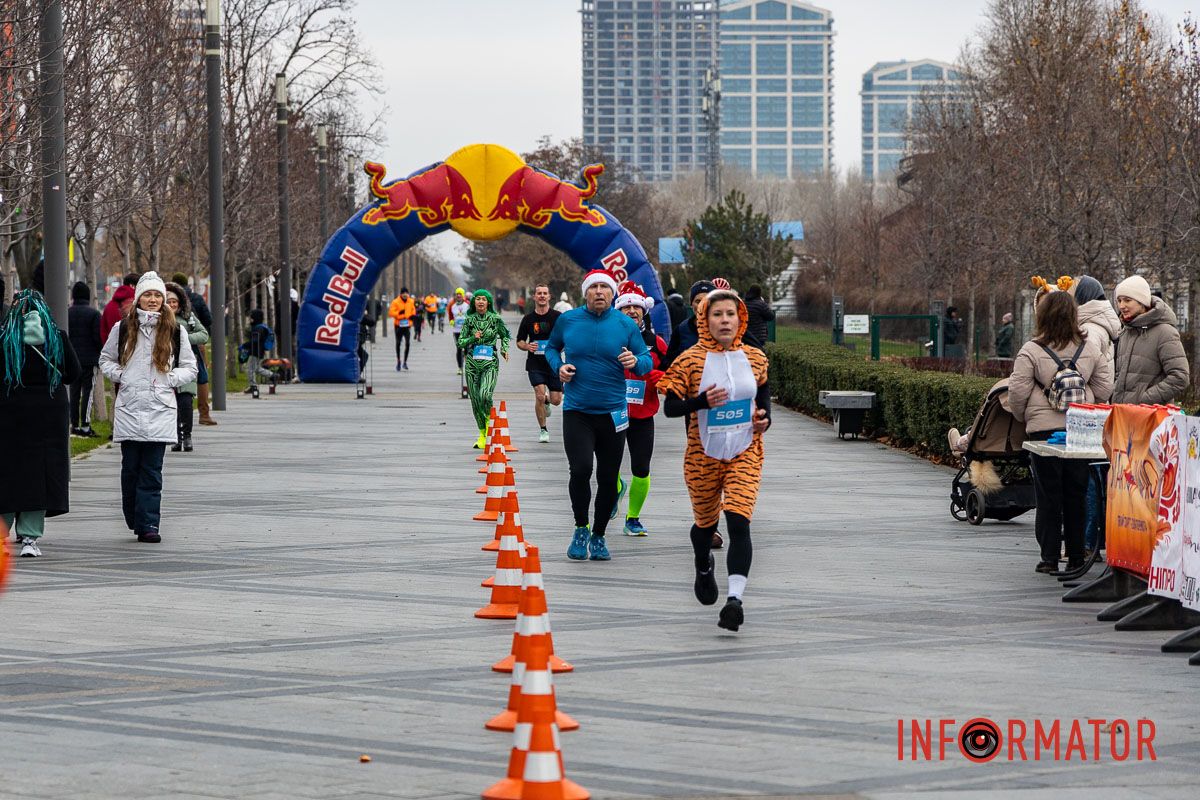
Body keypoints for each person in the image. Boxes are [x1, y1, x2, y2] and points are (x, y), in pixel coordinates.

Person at [658, 289, 771, 631]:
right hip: (702, 456)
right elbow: (671, 408)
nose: (724, 320)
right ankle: (702, 563)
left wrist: (763, 420)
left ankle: (735, 600)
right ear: (705, 321)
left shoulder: (756, 358)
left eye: (730, 314)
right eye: (717, 314)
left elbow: (764, 403)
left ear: (740, 319)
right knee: (705, 526)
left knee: (738, 521)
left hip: (745, 451)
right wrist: (702, 402)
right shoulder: (689, 360)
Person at [545, 269, 652, 562]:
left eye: (606, 287)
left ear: (613, 292)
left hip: (613, 413)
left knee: (607, 478)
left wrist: (635, 360)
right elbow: (552, 349)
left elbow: (645, 360)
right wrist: (559, 367)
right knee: (580, 470)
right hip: (577, 411)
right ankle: (581, 527)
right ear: (586, 293)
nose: (600, 292)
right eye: (595, 288)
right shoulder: (567, 320)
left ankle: (600, 535)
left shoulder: (624, 324)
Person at [1008, 290, 1112, 574]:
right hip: (1079, 431)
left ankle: (1049, 557)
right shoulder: (1089, 349)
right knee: (1076, 495)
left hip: (1043, 433)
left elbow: (1016, 393)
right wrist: (1080, 397)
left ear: (1042, 316)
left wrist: (1027, 416)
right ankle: (1077, 556)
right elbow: (1104, 389)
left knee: (1048, 496)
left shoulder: (1031, 350)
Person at [99, 272, 197, 544]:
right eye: (148, 295)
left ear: (163, 300)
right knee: (130, 469)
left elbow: (190, 367)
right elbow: (105, 359)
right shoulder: (122, 328)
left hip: (160, 410)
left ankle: (149, 524)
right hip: (130, 408)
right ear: (139, 297)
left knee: (152, 472)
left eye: (157, 295)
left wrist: (170, 380)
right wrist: (121, 375)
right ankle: (134, 516)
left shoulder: (176, 330)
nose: (153, 300)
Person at [1, 290, 82, 557]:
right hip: (49, 416)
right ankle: (30, 539)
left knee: (9, 475)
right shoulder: (57, 338)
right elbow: (73, 373)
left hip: (11, 416)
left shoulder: (5, 339)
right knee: (39, 477)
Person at [614, 282, 667, 537]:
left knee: (642, 468)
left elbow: (672, 374)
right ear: (619, 312)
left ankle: (632, 518)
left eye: (636, 306)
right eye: (626, 307)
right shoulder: (607, 338)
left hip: (644, 415)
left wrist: (662, 378)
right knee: (608, 466)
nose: (632, 310)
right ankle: (615, 489)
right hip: (613, 412)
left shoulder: (655, 342)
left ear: (643, 310)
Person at [1110, 275, 1189, 405]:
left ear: (1143, 302)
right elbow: (1120, 376)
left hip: (1151, 418)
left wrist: (1144, 400)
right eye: (1119, 300)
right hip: (1123, 416)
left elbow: (1180, 377)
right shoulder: (1126, 332)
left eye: (1127, 300)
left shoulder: (1165, 332)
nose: (1121, 306)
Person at [457, 289, 510, 448]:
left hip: (490, 362)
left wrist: (504, 349)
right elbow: (460, 342)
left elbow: (505, 335)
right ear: (474, 302)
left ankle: (489, 422)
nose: (480, 302)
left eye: (483, 299)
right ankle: (482, 433)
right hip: (472, 363)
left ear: (488, 302)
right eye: (478, 299)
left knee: (485, 395)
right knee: (475, 400)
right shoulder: (469, 320)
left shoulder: (495, 319)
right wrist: (473, 338)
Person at [515, 283, 563, 444]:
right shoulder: (528, 319)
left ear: (549, 297)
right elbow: (519, 341)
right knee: (539, 395)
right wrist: (527, 346)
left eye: (545, 293)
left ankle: (548, 400)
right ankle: (543, 429)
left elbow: (566, 336)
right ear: (534, 297)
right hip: (535, 364)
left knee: (556, 400)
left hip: (553, 363)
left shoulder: (557, 317)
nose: (542, 296)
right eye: (539, 293)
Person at [164, 282, 209, 453]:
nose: (172, 305)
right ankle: (176, 437)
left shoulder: (189, 318)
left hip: (186, 364)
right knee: (172, 404)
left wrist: (185, 339)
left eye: (175, 302)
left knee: (186, 402)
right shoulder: (161, 319)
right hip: (167, 366)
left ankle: (187, 435)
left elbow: (204, 334)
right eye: (169, 301)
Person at [172, 272, 216, 426]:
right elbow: (208, 320)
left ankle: (177, 415)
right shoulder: (196, 298)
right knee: (202, 377)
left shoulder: (170, 299)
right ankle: (204, 413)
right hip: (196, 346)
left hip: (178, 346)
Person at [68, 281, 102, 437]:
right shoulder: (94, 314)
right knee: (88, 392)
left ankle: (73, 423)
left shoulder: (67, 312)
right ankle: (86, 425)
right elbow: (98, 339)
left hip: (72, 360)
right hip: (89, 360)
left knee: (74, 393)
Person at [663, 279, 716, 369]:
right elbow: (668, 364)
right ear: (691, 304)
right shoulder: (681, 330)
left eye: (707, 300)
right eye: (698, 301)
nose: (702, 305)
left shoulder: (727, 329)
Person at [101, 273, 139, 344]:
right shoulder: (135, 303)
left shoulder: (109, 305)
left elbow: (103, 331)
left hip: (111, 350)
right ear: (132, 286)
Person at [242, 308, 274, 392]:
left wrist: (245, 345)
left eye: (252, 318)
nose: (250, 320)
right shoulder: (259, 327)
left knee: (250, 369)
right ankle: (272, 375)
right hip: (258, 351)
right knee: (256, 368)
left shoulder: (258, 329)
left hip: (255, 352)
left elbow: (255, 341)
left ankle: (253, 386)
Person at [388, 287, 417, 370]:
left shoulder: (411, 301)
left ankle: (405, 362)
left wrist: (412, 316)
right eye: (403, 293)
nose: (405, 294)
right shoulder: (395, 301)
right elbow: (391, 313)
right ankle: (398, 361)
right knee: (398, 343)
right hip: (398, 325)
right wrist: (399, 313)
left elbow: (413, 310)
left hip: (407, 325)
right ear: (400, 294)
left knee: (408, 343)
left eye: (406, 293)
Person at [742, 284, 775, 350]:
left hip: (745, 335)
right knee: (757, 355)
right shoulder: (761, 304)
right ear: (759, 293)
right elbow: (771, 316)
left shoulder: (743, 303)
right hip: (759, 336)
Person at [448, 288, 471, 374]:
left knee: (466, 349)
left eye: (460, 294)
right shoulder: (452, 305)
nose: (458, 295)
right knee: (459, 348)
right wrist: (451, 321)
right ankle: (460, 368)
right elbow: (450, 317)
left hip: (466, 331)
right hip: (456, 330)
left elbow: (471, 315)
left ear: (463, 295)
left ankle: (468, 365)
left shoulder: (467, 304)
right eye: (457, 294)